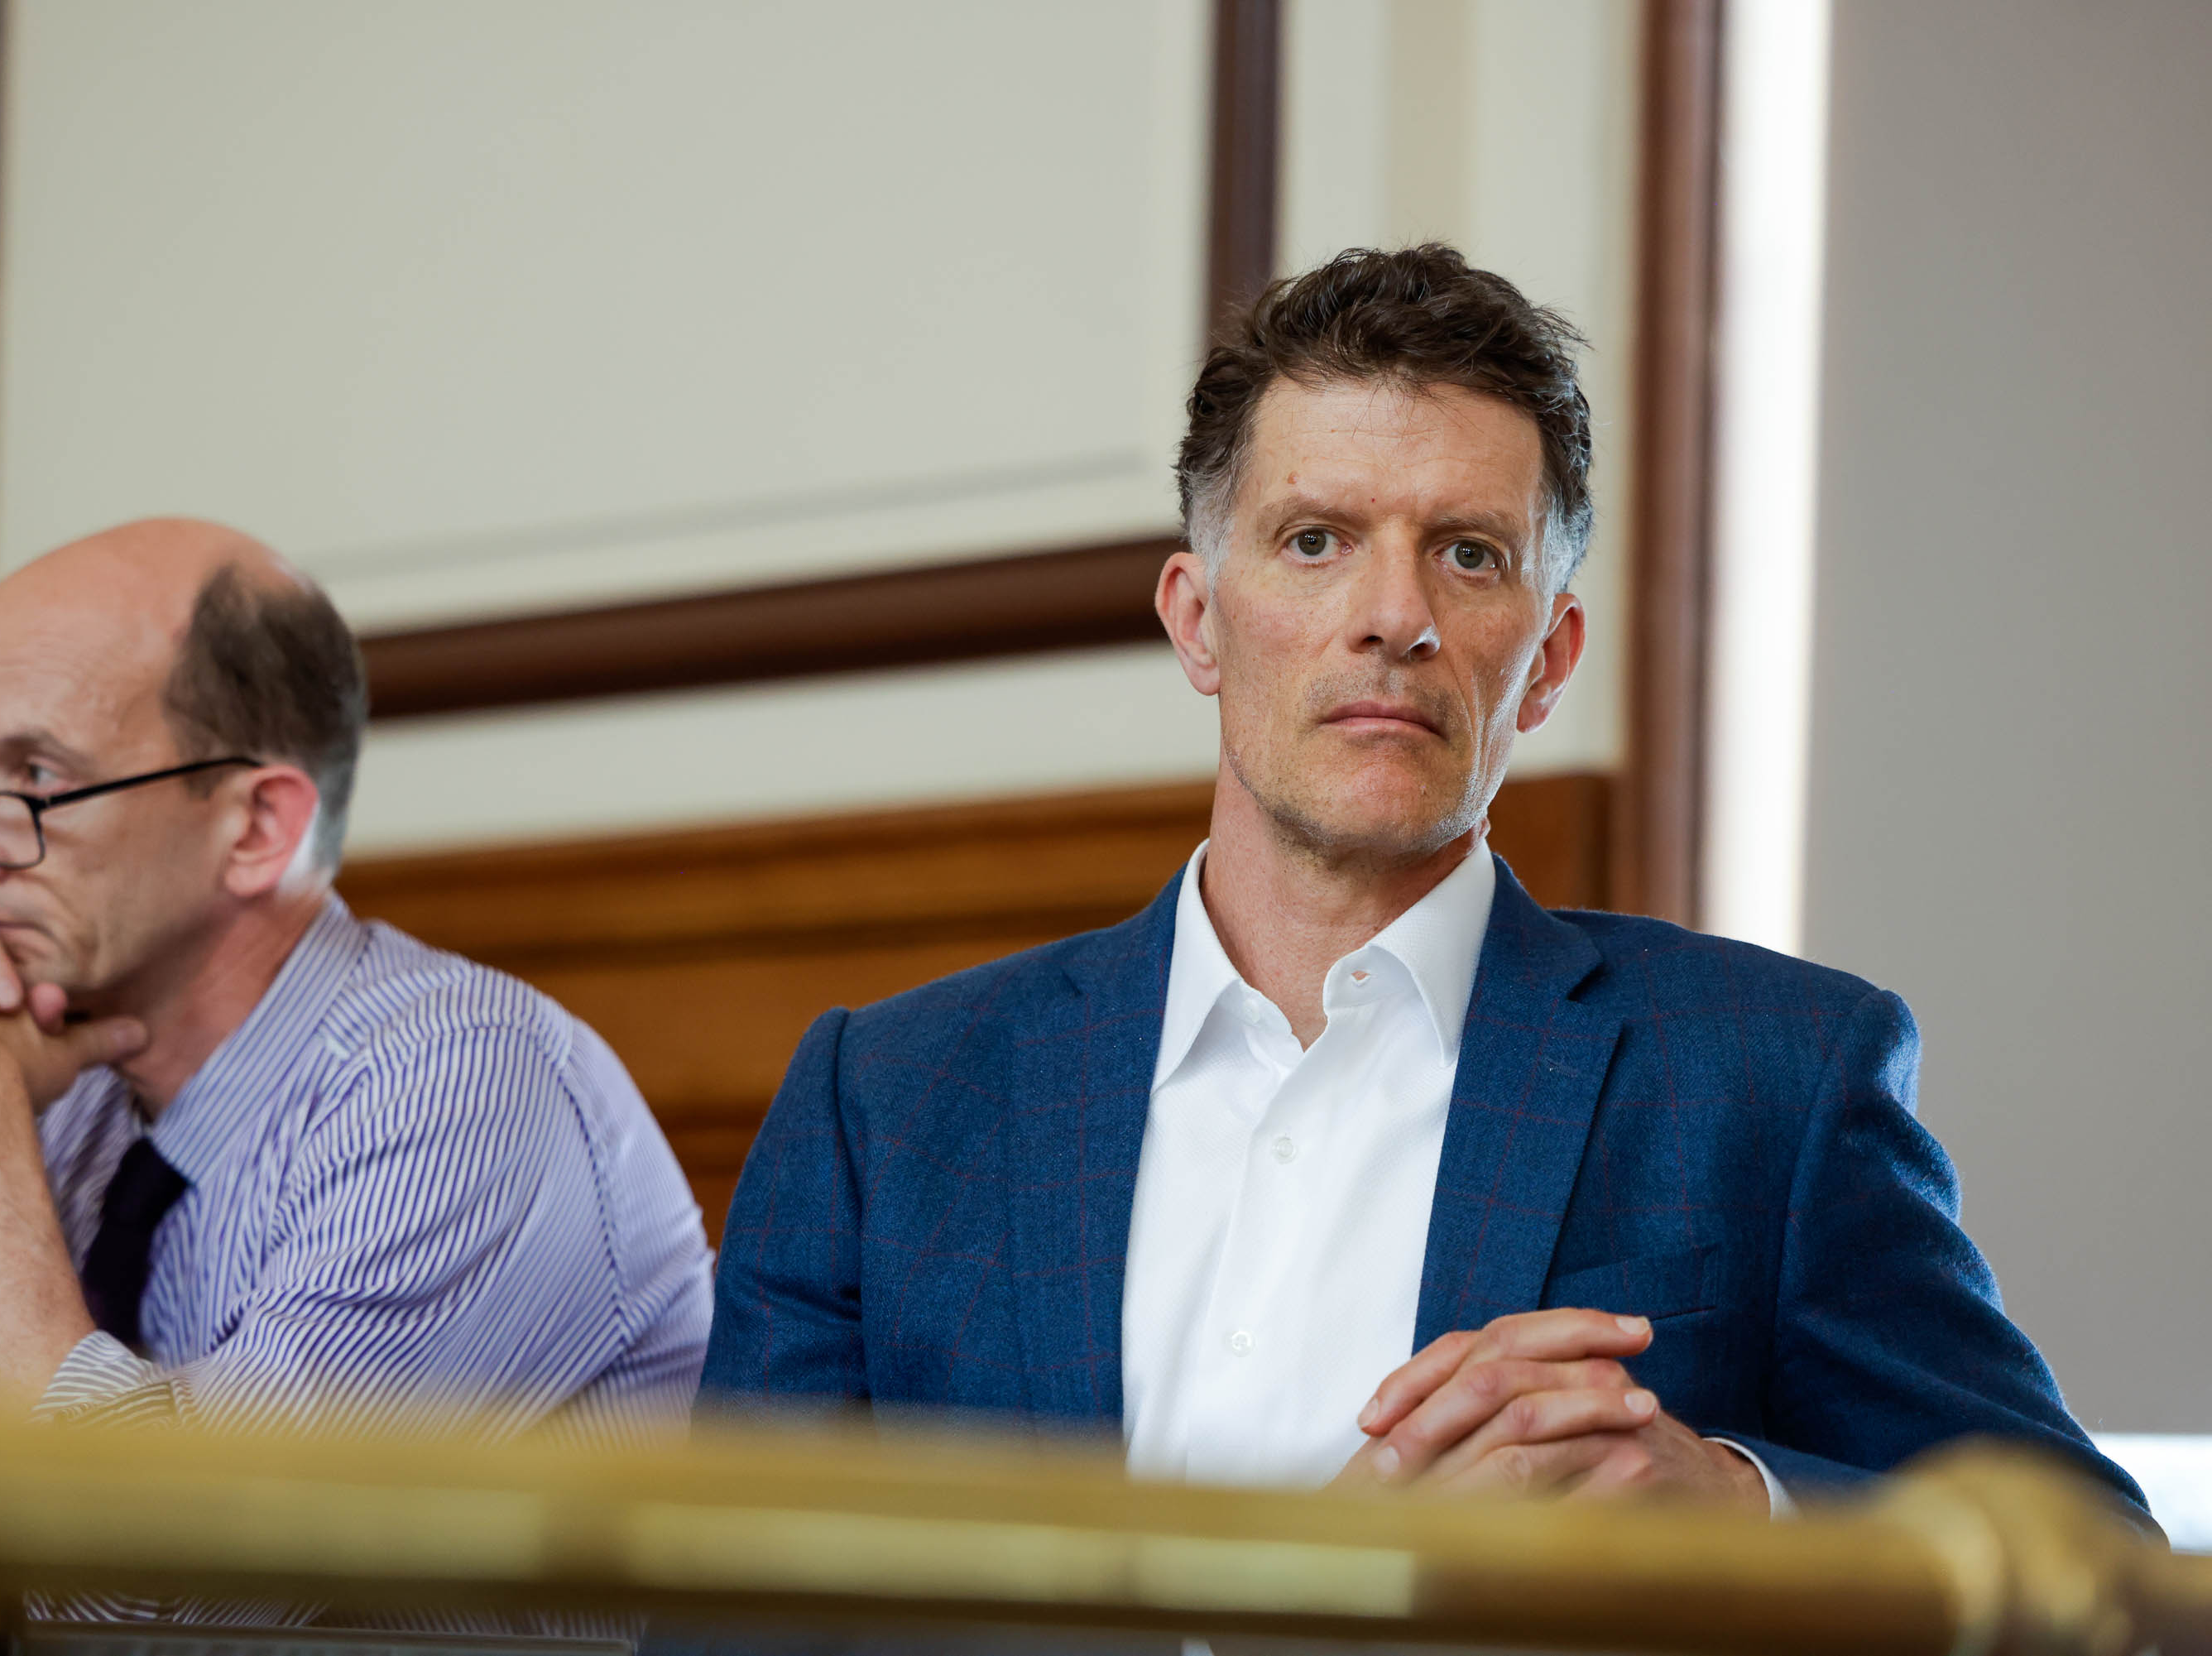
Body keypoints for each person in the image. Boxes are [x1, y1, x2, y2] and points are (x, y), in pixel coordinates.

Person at [698, 247, 2145, 1516]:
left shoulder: (1778, 1076)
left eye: (1467, 554)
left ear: (1551, 658)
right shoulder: (883, 1103)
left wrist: (1736, 1506)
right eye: (1316, 540)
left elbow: (2096, 1566)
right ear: (1200, 622)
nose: (1394, 618)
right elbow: (735, 1628)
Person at [0, 519, 710, 1435]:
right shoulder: (54, 1080)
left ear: (254, 830)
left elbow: (126, 1578)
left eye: (37, 778)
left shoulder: (464, 1084)